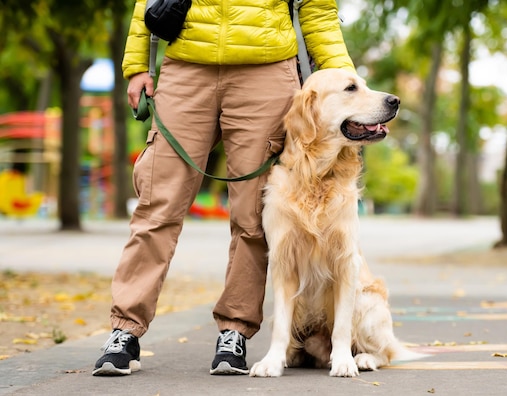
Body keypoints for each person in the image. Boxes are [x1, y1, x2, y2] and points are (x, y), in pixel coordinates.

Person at [92, 0, 355, 376]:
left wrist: (344, 82)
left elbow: (317, 8)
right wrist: (137, 66)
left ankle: (235, 331)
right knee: (157, 204)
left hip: (266, 69)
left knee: (253, 214)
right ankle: (125, 330)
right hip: (186, 64)